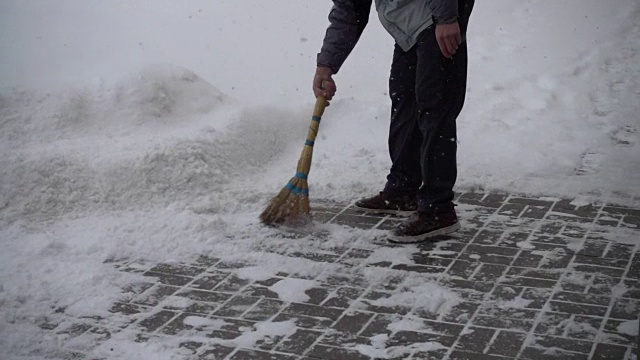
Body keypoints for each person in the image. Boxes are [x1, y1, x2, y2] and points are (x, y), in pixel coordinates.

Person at [313, 0, 474, 243]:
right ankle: (403, 189)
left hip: (437, 15)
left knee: (435, 108)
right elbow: (349, 10)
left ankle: (438, 209)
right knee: (405, 101)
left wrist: (447, 18)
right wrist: (326, 65)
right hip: (408, 25)